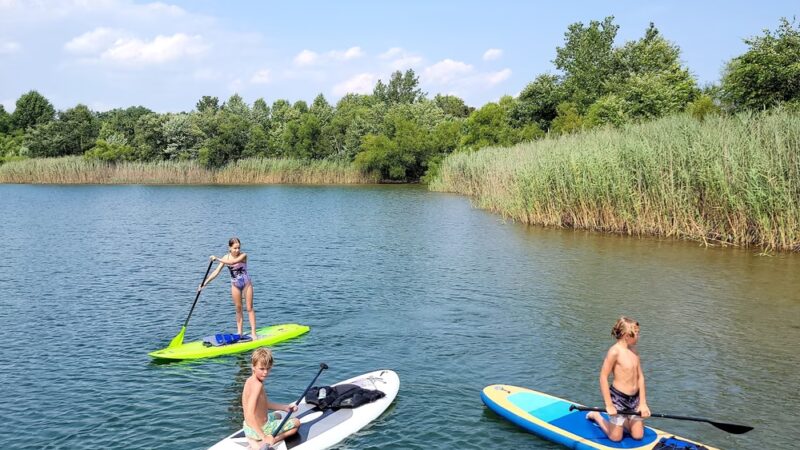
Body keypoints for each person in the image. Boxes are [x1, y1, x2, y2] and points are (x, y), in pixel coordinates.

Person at [586, 316, 651, 442]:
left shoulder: (634, 352)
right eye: (636, 334)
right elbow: (603, 377)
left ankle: (625, 420)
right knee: (615, 438)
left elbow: (640, 377)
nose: (638, 336)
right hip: (618, 399)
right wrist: (609, 405)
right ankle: (596, 415)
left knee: (638, 436)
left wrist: (643, 403)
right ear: (627, 335)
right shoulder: (614, 352)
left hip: (635, 399)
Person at [199, 237, 258, 340]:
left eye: (239, 248)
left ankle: (253, 332)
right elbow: (216, 272)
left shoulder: (243, 255)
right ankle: (240, 332)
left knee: (249, 308)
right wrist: (204, 283)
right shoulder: (226, 257)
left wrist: (216, 258)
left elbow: (232, 262)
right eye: (235, 248)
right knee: (238, 308)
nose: (237, 250)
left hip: (246, 284)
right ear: (229, 248)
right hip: (235, 285)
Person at [242, 348, 300, 449]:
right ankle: (265, 442)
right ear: (253, 367)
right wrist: (264, 437)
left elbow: (263, 404)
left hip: (248, 428)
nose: (265, 372)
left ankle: (252, 439)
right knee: (296, 423)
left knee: (278, 415)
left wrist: (284, 407)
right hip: (260, 429)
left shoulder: (249, 381)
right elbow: (249, 414)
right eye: (262, 369)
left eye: (268, 368)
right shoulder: (257, 386)